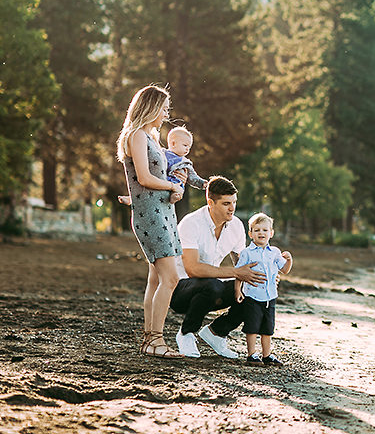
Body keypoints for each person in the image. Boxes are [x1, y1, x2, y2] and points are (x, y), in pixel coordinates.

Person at [116, 84, 185, 358]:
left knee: (156, 281)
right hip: (151, 216)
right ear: (152, 107)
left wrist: (174, 190)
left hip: (163, 211)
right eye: (164, 108)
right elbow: (143, 178)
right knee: (171, 278)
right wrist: (170, 187)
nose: (167, 114)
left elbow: (145, 184)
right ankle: (156, 341)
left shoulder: (151, 137)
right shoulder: (136, 136)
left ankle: (149, 340)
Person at [169, 176, 266, 359]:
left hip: (212, 287)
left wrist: (264, 276)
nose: (232, 208)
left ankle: (217, 333)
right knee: (212, 285)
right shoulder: (191, 223)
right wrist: (236, 272)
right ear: (210, 202)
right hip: (180, 290)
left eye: (234, 202)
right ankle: (186, 333)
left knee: (254, 287)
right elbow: (193, 269)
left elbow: (242, 264)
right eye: (226, 203)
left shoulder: (236, 225)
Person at [234, 213, 293, 366]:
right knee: (252, 327)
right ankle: (252, 354)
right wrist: (238, 290)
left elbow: (284, 270)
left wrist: (289, 260)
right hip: (253, 295)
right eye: (257, 230)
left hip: (270, 296)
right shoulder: (247, 253)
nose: (261, 233)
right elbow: (239, 273)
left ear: (271, 233)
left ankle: (267, 355)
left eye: (265, 230)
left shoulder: (274, 252)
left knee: (268, 328)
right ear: (251, 233)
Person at [118, 126, 207, 206]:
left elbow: (192, 177)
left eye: (189, 147)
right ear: (173, 144)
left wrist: (202, 183)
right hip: (160, 182)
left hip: (175, 186)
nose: (188, 149)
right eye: (185, 145)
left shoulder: (185, 163)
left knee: (177, 192)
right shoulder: (161, 153)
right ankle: (131, 198)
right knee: (147, 190)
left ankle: (173, 197)